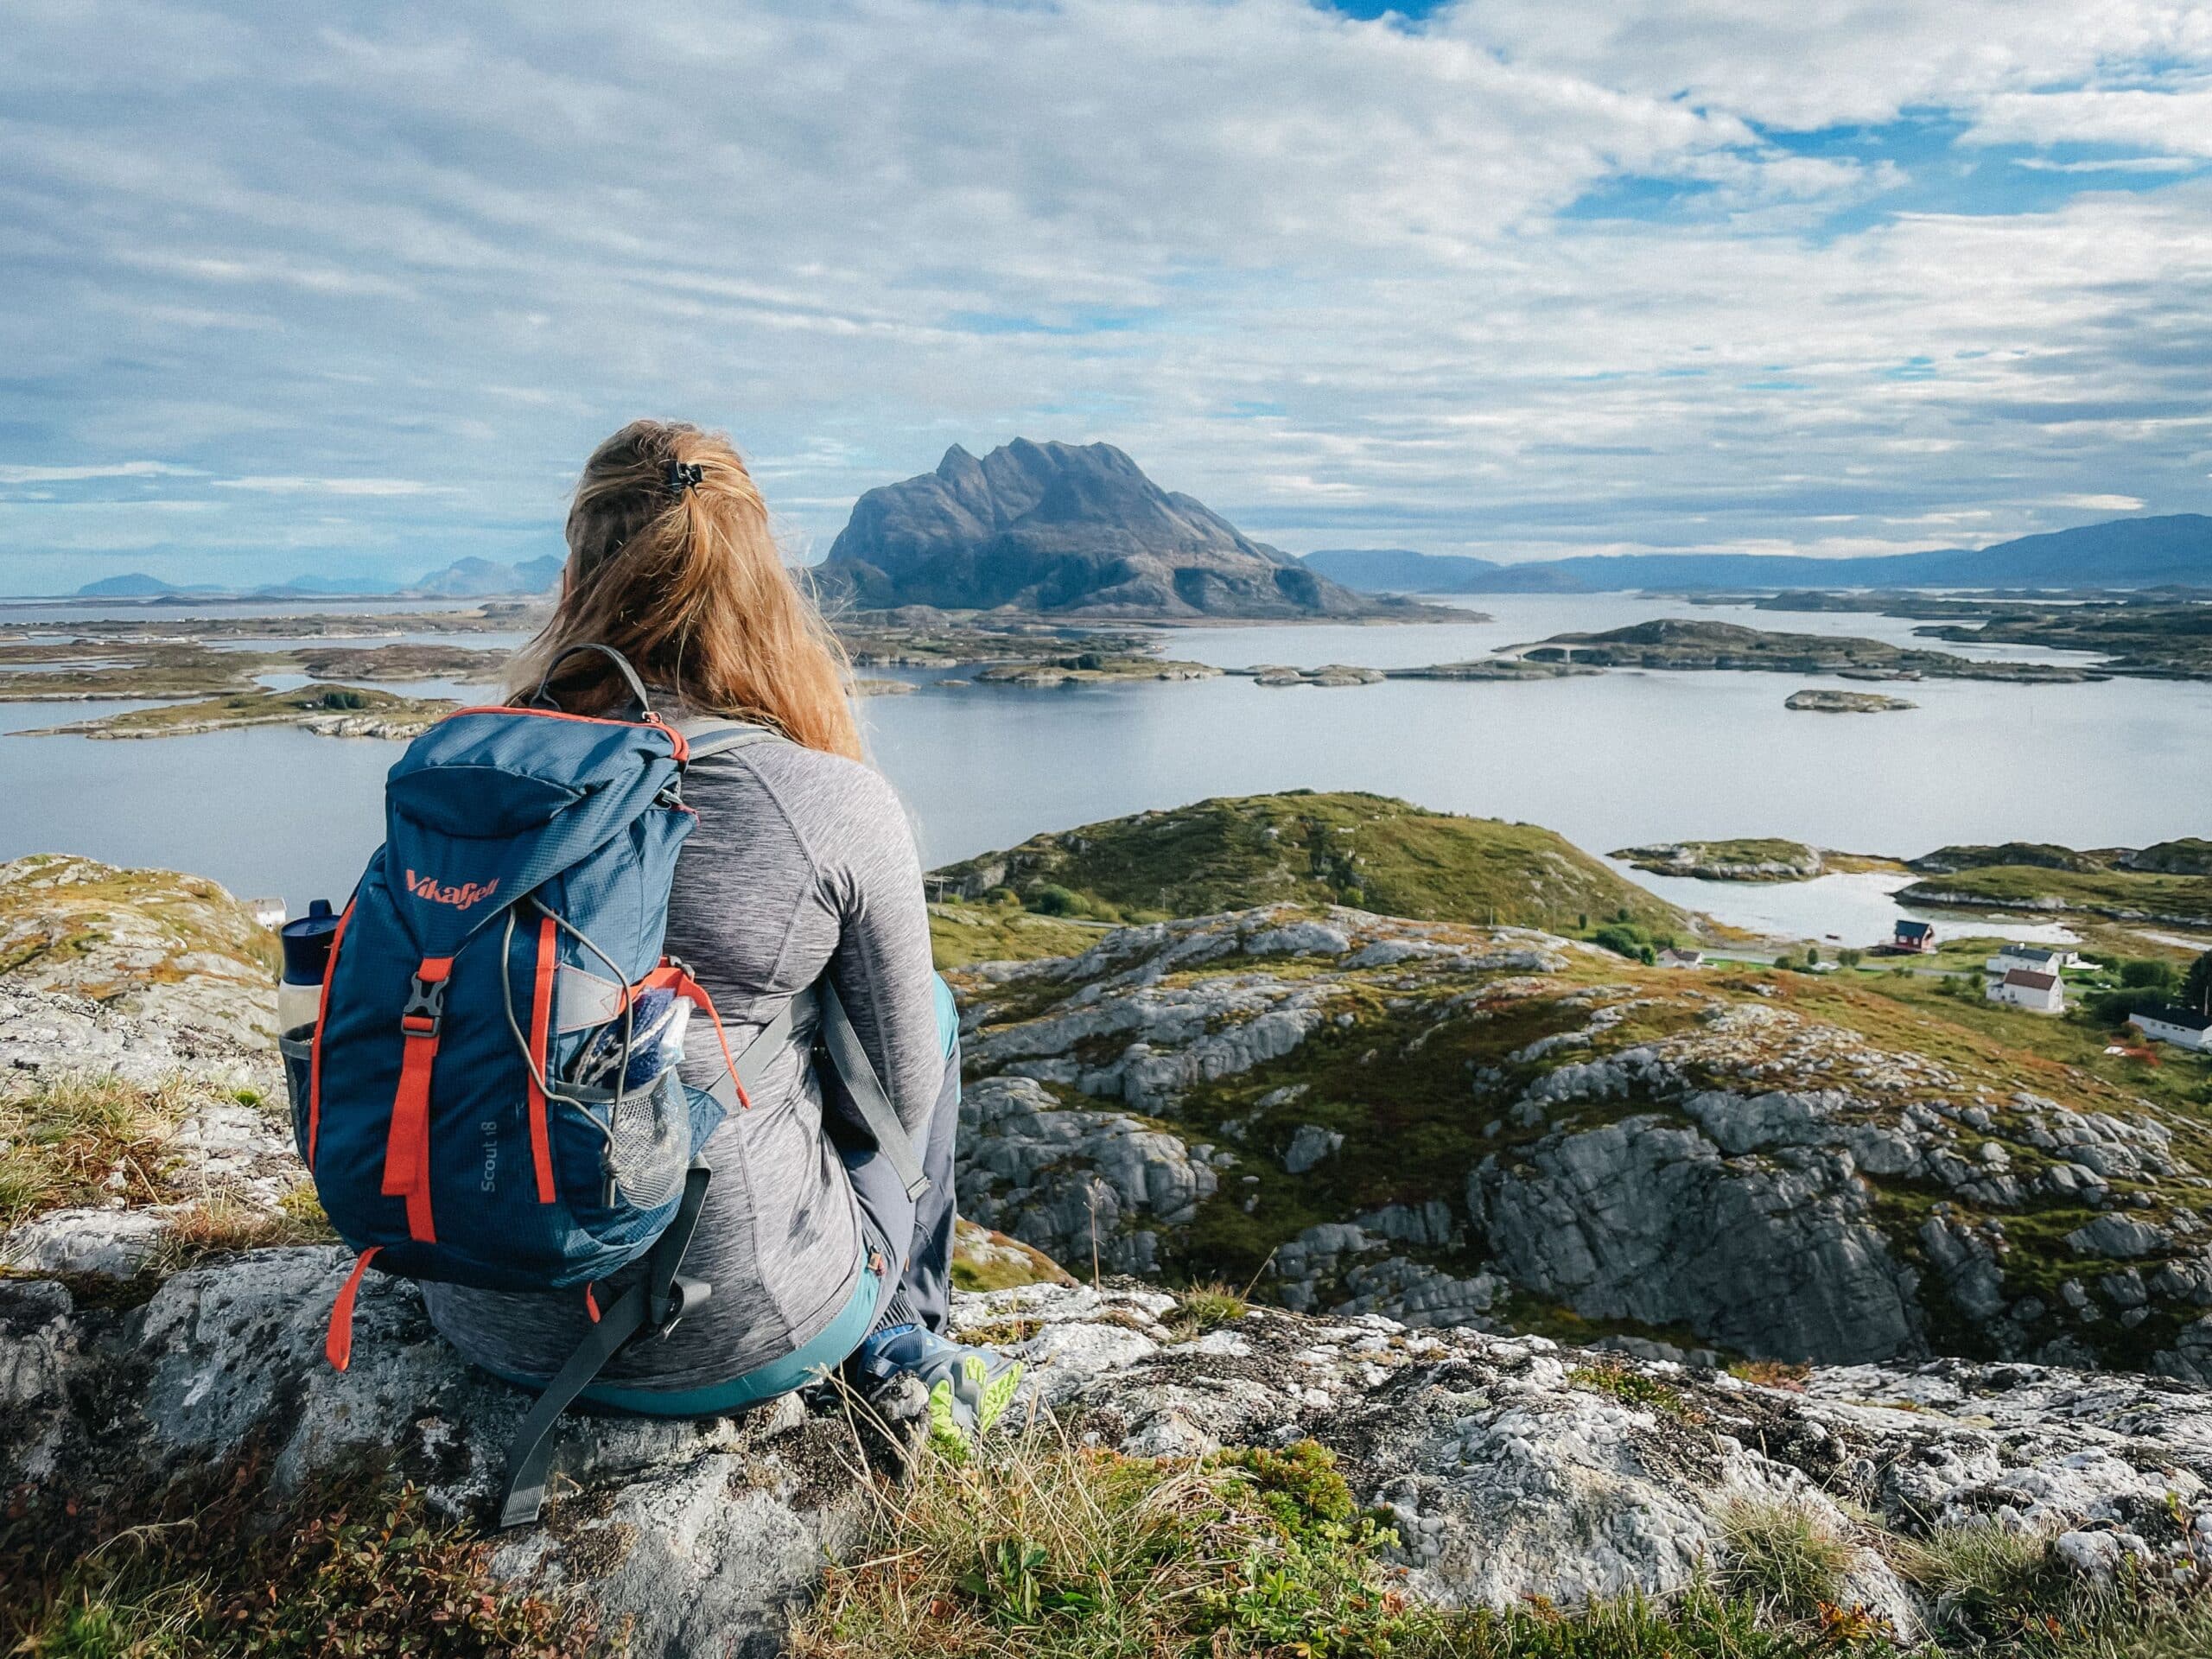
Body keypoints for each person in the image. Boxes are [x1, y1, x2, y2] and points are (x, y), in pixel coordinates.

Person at [420, 418, 1020, 1446]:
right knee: (924, 1008)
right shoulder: (824, 799)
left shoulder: (467, 768)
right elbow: (902, 1106)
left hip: (474, 1301)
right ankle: (902, 1340)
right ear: (761, 579)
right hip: (730, 1333)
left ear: (576, 568)